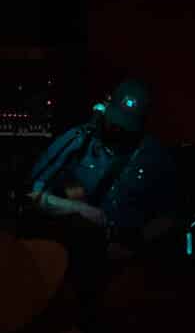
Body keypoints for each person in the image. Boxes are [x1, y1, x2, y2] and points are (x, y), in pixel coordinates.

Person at [21, 78, 181, 297]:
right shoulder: (79, 141)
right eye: (115, 121)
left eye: (126, 126)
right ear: (106, 105)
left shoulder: (156, 158)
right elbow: (32, 193)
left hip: (125, 269)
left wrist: (136, 246)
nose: (118, 129)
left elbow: (169, 215)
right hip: (72, 261)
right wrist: (80, 209)